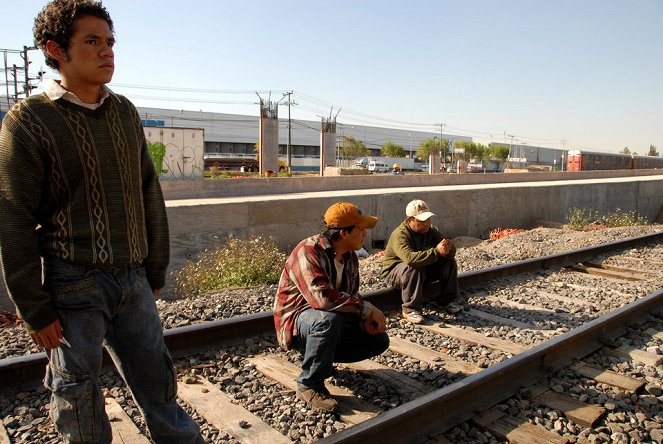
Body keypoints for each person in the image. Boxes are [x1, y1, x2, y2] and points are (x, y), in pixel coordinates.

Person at [0, 1, 203, 442]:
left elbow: (147, 188)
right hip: (73, 284)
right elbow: (13, 217)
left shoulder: (124, 111)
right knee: (79, 396)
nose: (107, 51)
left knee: (158, 383)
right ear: (57, 49)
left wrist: (155, 267)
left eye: (110, 42)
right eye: (92, 41)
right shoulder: (28, 121)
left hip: (132, 279)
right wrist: (33, 308)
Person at [273, 202, 389, 412]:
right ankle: (310, 384)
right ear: (344, 233)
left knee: (378, 340)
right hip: (299, 322)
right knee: (328, 320)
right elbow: (323, 300)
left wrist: (364, 318)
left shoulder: (350, 258)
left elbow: (350, 297)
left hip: (327, 320)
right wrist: (366, 308)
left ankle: (322, 358)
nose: (365, 234)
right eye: (361, 230)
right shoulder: (308, 251)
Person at [382, 199, 460, 324]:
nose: (426, 223)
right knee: (412, 266)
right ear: (410, 220)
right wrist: (437, 252)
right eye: (422, 221)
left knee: (449, 262)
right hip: (395, 273)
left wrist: (448, 249)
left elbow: (446, 251)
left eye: (428, 219)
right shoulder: (400, 234)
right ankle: (410, 309)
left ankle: (448, 300)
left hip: (419, 270)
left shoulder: (431, 230)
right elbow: (410, 258)